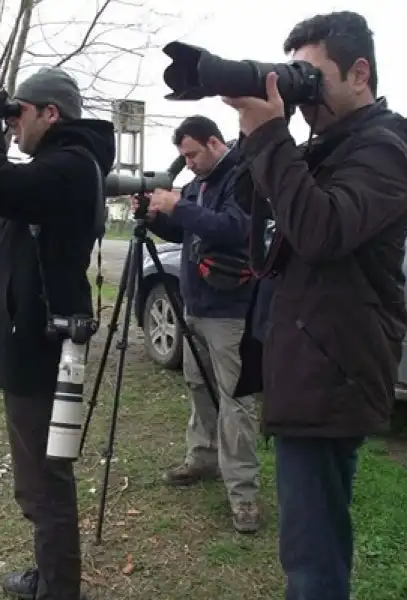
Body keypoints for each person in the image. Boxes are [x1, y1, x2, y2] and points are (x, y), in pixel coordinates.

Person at [224, 11, 407, 600]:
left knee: (312, 556)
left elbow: (319, 231)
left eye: (310, 77)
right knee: (307, 542)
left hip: (332, 370)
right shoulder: (328, 145)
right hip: (311, 362)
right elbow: (248, 197)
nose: (303, 91)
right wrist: (263, 128)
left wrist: (273, 138)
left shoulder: (385, 151)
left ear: (359, 72)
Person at [0, 67, 115, 600]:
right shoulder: (63, 166)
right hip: (37, 340)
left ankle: (58, 590)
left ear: (51, 113)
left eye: (17, 112)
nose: (12, 124)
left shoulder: (70, 165)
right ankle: (51, 578)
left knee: (44, 482)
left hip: (39, 348)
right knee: (41, 478)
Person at [137, 115, 261, 534]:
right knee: (197, 387)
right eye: (183, 157)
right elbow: (181, 226)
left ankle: (243, 493)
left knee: (235, 401)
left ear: (213, 142)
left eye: (192, 154)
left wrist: (181, 205)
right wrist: (154, 214)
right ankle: (202, 459)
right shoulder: (198, 183)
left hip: (229, 312)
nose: (187, 163)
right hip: (195, 305)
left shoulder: (241, 177)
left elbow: (233, 228)